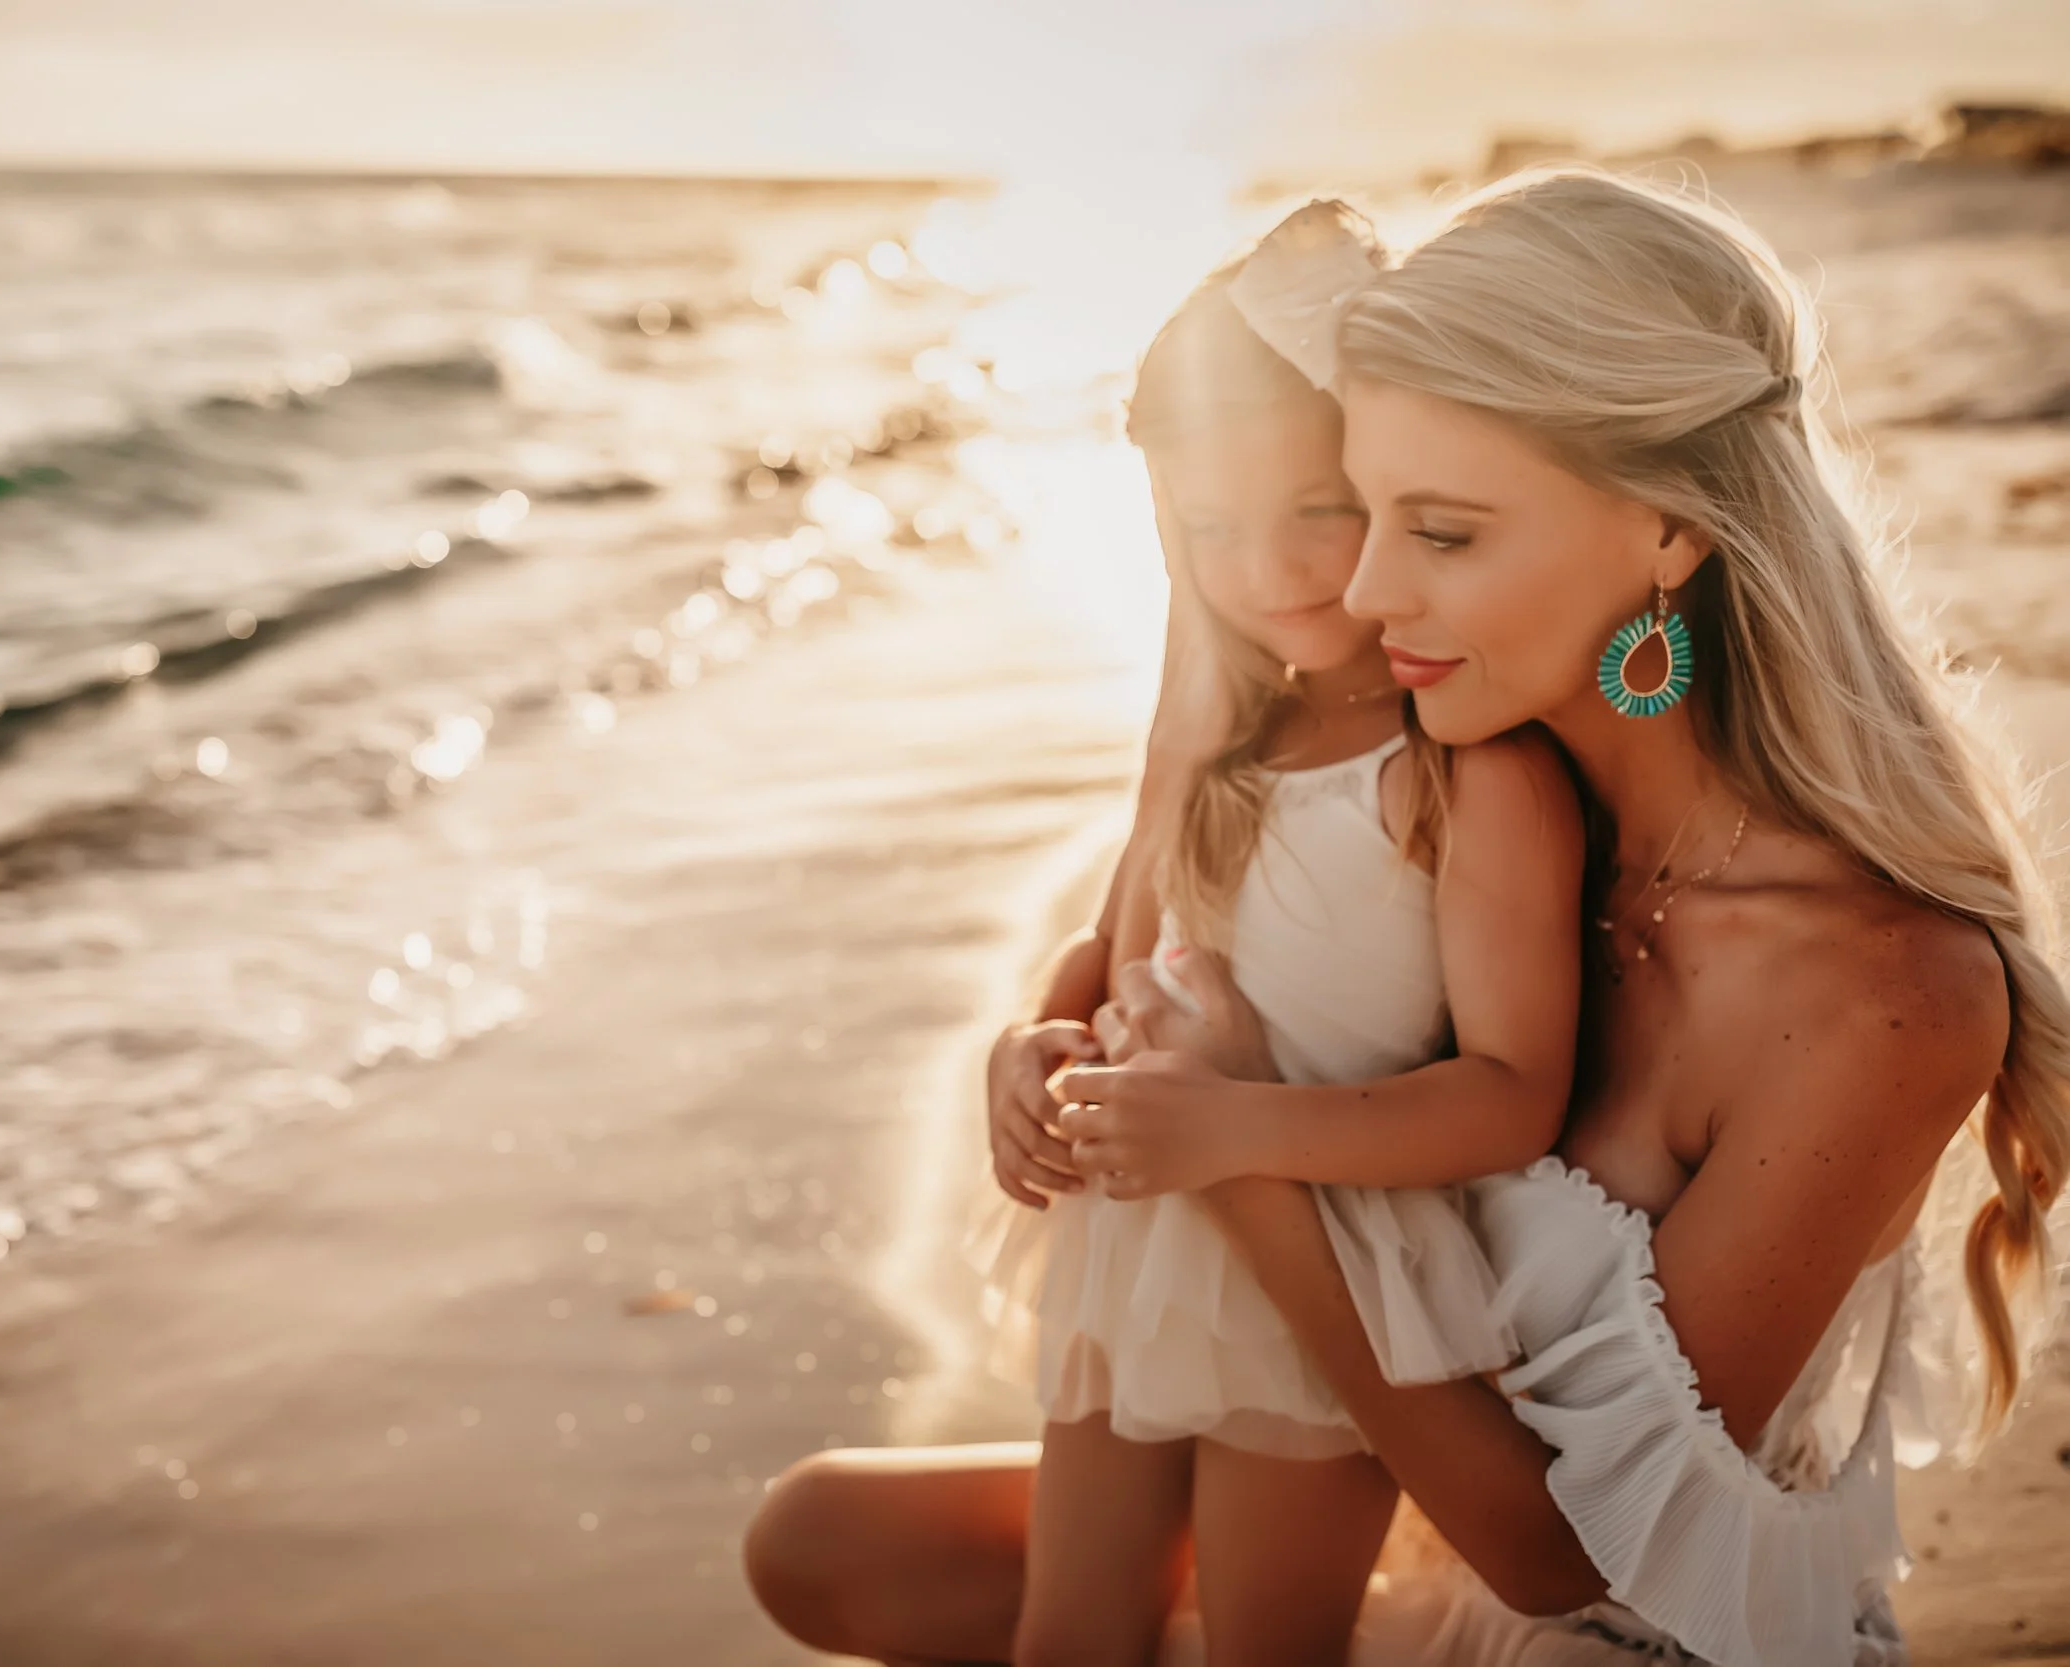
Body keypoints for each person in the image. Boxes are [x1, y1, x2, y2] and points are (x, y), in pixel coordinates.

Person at [744, 168, 2069, 1667]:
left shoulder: (1883, 989)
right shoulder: (1444, 804)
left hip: (1607, 1629)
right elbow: (1181, 910)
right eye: (1358, 508)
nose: (1360, 588)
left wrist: (1233, 1144)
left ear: (1668, 534)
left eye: (1437, 531)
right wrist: (1057, 1038)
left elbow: (1559, 1549)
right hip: (1380, 1508)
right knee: (823, 1540)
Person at [966, 200, 1584, 1667]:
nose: (1275, 568)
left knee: (1267, 1646)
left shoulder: (1466, 766)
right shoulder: (1217, 727)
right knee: (1072, 1633)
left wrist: (1237, 1125)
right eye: (1212, 527)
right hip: (1141, 1226)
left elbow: (1513, 1092)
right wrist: (1031, 1032)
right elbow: (1132, 934)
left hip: (1332, 1259)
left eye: (1320, 504)